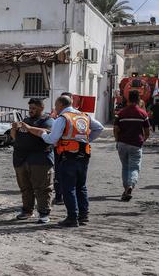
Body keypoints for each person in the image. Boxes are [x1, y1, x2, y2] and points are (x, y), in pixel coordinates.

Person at [22, 95, 103, 227]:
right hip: (84, 155)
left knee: (68, 187)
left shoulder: (63, 118)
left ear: (60, 105)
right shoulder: (84, 116)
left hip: (68, 156)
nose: (55, 108)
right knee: (81, 186)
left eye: (56, 105)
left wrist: (42, 133)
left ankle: (72, 217)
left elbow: (52, 139)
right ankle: (83, 215)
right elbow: (99, 128)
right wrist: (84, 140)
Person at [11, 98, 55, 224]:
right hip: (21, 159)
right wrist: (14, 129)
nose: (30, 111)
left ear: (41, 108)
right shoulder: (25, 121)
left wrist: (29, 128)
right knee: (25, 187)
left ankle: (44, 213)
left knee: (43, 188)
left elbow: (47, 134)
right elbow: (15, 137)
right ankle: (27, 211)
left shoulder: (48, 121)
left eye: (34, 108)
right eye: (30, 108)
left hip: (40, 160)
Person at [113, 90, 151, 201]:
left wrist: (117, 140)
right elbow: (147, 131)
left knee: (125, 166)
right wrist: (143, 140)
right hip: (136, 144)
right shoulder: (142, 113)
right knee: (134, 167)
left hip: (122, 143)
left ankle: (126, 189)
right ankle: (130, 186)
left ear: (128, 99)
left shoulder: (121, 113)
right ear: (139, 99)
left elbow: (115, 129)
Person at [51, 91, 73, 205]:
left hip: (62, 149)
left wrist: (44, 136)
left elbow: (53, 137)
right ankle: (61, 196)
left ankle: (61, 197)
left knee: (60, 173)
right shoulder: (79, 115)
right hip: (76, 150)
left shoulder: (61, 116)